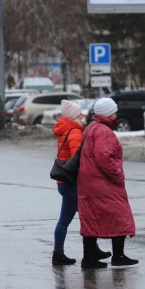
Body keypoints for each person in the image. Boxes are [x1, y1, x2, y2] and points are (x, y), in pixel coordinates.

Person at [77, 98, 137, 269]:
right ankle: (118, 256)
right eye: (114, 111)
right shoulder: (104, 131)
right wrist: (117, 175)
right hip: (103, 182)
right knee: (120, 215)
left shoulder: (91, 127)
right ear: (108, 113)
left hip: (88, 181)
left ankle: (88, 258)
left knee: (91, 219)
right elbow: (104, 158)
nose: (116, 115)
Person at [52, 100, 111, 266]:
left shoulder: (65, 129)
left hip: (64, 182)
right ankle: (89, 253)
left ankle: (60, 252)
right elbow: (78, 158)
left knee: (67, 219)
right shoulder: (74, 132)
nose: (82, 116)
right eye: (79, 113)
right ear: (74, 116)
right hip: (72, 183)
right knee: (87, 218)